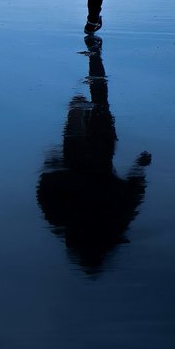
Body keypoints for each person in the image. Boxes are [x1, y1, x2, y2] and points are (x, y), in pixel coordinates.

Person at [36, 35, 151, 276]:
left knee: (97, 103)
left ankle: (94, 60)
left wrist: (140, 166)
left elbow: (133, 192)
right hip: (90, 152)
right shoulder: (102, 222)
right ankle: (94, 60)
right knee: (96, 104)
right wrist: (140, 167)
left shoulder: (74, 221)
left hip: (90, 153)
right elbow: (134, 192)